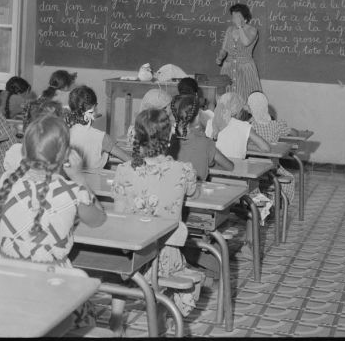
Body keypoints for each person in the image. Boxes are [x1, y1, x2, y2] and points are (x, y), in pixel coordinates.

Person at [0, 114, 106, 328]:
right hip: (53, 286)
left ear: (24, 151)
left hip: (6, 284)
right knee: (87, 314)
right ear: (66, 155)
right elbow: (98, 219)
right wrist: (79, 178)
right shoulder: (72, 192)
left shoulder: (6, 183)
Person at [111, 109, 203, 332]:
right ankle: (160, 322)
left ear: (136, 136)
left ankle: (115, 321)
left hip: (129, 255)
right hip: (164, 258)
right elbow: (195, 193)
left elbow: (119, 212)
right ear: (170, 136)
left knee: (117, 266)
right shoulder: (182, 170)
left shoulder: (123, 170)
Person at [247, 91, 299, 203]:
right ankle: (281, 203)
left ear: (250, 108)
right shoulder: (276, 125)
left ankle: (262, 203)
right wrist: (296, 131)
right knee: (290, 178)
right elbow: (294, 133)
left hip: (251, 166)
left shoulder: (249, 126)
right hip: (272, 166)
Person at [169, 94, 234, 181]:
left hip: (176, 190)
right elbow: (230, 167)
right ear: (197, 117)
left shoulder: (170, 140)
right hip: (198, 191)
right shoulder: (205, 142)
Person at [64, 85, 130, 170]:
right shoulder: (102, 137)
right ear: (94, 107)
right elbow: (129, 160)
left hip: (71, 180)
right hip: (95, 181)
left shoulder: (63, 133)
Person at [216, 3, 262, 101]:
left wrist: (240, 27)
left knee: (245, 98)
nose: (235, 19)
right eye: (233, 16)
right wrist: (220, 57)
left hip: (245, 69)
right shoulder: (229, 30)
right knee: (226, 100)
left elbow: (246, 42)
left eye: (238, 16)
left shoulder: (252, 30)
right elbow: (224, 49)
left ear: (244, 17)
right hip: (228, 69)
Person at [206, 92, 271, 159]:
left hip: (214, 167)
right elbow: (266, 148)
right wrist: (245, 145)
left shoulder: (210, 123)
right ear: (238, 110)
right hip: (236, 167)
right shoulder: (243, 126)